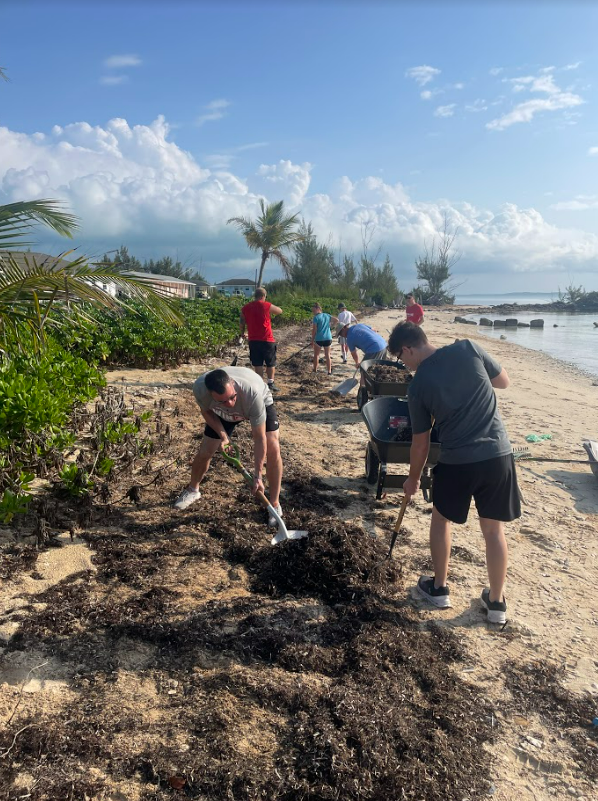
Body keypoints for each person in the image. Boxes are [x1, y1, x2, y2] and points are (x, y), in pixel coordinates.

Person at [387, 322, 520, 625]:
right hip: (498, 456)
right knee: (493, 531)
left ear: (408, 348)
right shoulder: (468, 348)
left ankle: (439, 587)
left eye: (400, 358)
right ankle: (497, 604)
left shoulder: (418, 386)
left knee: (441, 519)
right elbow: (503, 382)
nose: (403, 364)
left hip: (457, 461)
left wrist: (412, 478)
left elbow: (420, 444)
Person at [173, 366, 284, 525]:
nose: (230, 404)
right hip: (220, 414)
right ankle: (193, 490)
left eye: (232, 397)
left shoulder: (251, 394)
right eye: (224, 400)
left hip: (256, 402)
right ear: (210, 393)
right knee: (206, 450)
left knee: (273, 447)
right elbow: (207, 412)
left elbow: (259, 439)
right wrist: (224, 436)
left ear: (232, 383)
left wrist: (258, 475)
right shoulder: (200, 389)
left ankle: (274, 504)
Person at [239, 287, 282, 392]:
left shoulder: (245, 308)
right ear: (264, 296)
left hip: (253, 340)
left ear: (255, 295)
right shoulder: (266, 305)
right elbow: (279, 311)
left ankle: (260, 383)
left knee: (257, 363)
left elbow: (241, 322)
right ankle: (270, 383)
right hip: (267, 339)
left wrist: (242, 333)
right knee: (270, 363)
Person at [311, 303, 338, 375]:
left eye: (313, 311)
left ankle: (315, 370)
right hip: (328, 338)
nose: (313, 313)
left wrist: (312, 340)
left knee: (316, 355)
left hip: (319, 338)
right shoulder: (327, 315)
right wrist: (331, 327)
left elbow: (314, 330)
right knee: (327, 355)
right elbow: (336, 320)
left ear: (317, 309)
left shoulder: (316, 318)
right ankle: (329, 371)